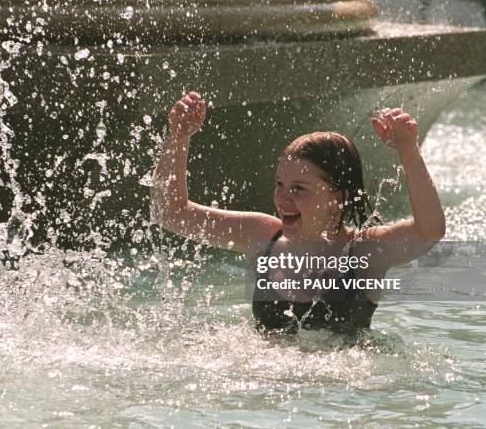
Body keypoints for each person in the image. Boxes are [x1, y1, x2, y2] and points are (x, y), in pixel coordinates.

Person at [151, 91, 446, 333]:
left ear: (338, 197)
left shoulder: (367, 252)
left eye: (299, 189)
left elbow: (430, 230)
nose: (282, 198)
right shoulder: (263, 236)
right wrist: (178, 138)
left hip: (343, 401)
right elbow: (171, 213)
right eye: (280, 184)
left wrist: (408, 150)